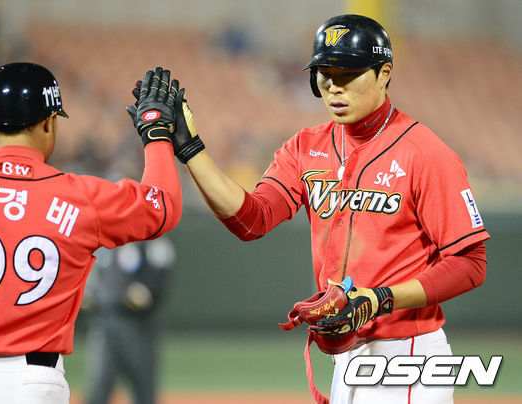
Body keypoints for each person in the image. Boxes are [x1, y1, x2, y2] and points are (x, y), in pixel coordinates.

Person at [152, 14, 490, 404]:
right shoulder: (305, 147)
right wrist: (191, 149)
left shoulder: (426, 153)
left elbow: (470, 263)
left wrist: (379, 298)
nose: (334, 87)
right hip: (346, 357)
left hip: (407, 355)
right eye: (325, 74)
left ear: (384, 73)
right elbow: (251, 220)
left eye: (348, 73)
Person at [0, 63, 182, 404]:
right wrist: (156, 135)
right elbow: (164, 205)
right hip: (34, 384)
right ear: (49, 122)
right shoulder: (83, 199)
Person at [84, 237, 176, 404]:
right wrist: (90, 293)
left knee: (142, 382)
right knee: (100, 385)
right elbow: (95, 274)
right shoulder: (106, 241)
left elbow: (159, 277)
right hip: (105, 319)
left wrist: (147, 290)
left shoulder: (154, 241)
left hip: (138, 323)